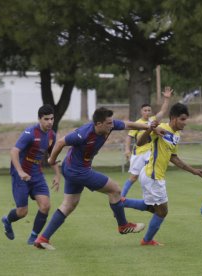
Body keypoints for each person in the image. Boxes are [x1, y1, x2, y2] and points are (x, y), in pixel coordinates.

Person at [34, 107, 157, 250]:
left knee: (69, 205)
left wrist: (148, 127)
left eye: (112, 122)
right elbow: (61, 142)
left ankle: (42, 239)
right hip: (77, 170)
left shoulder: (108, 126)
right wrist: (51, 160)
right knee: (115, 189)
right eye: (109, 123)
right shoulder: (84, 133)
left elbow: (128, 124)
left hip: (72, 169)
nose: (112, 125)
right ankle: (123, 225)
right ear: (99, 124)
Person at [122, 103, 202, 246]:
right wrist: (150, 129)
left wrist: (194, 171)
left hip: (152, 174)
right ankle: (147, 240)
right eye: (182, 119)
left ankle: (121, 202)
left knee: (152, 207)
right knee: (162, 211)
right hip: (153, 176)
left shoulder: (176, 135)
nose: (185, 123)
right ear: (173, 118)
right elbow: (140, 142)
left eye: (186, 119)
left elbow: (173, 157)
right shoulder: (161, 129)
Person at [1, 104, 61, 245]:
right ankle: (7, 220)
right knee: (22, 212)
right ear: (39, 119)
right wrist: (20, 171)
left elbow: (52, 156)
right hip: (20, 176)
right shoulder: (30, 133)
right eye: (46, 119)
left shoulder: (52, 135)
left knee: (45, 205)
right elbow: (14, 151)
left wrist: (58, 175)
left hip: (37, 175)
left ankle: (33, 237)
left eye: (52, 119)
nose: (50, 122)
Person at [121, 86, 173, 197]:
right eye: (145, 110)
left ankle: (152, 197)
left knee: (150, 175)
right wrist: (126, 150)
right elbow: (129, 137)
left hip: (151, 153)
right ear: (141, 111)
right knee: (134, 177)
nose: (147, 112)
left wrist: (167, 99)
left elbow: (163, 111)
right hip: (139, 154)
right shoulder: (137, 123)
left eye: (149, 110)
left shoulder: (153, 121)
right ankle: (121, 197)